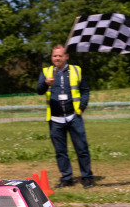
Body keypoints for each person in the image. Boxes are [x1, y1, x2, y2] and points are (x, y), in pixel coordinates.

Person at [36, 44, 94, 189]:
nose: (57, 58)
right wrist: (45, 83)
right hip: (55, 119)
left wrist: (81, 107)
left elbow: (85, 90)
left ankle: (87, 177)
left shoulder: (76, 70)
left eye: (60, 56)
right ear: (51, 57)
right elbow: (39, 91)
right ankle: (66, 178)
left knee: (82, 149)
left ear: (66, 56)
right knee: (60, 151)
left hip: (73, 117)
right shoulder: (46, 72)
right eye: (54, 56)